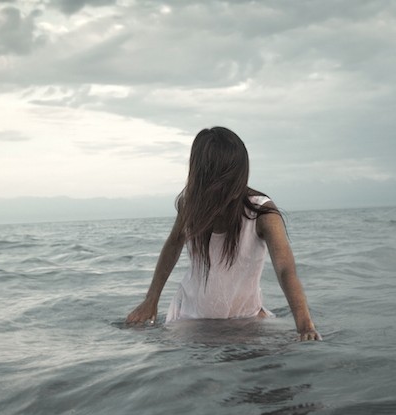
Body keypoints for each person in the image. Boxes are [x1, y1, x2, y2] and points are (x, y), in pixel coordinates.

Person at [125, 127, 321, 341]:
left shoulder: (261, 213)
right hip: (190, 318)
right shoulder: (190, 206)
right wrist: (150, 301)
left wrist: (304, 325)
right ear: (204, 179)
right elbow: (173, 245)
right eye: (225, 181)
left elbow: (284, 269)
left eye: (237, 178)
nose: (235, 188)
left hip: (246, 317)